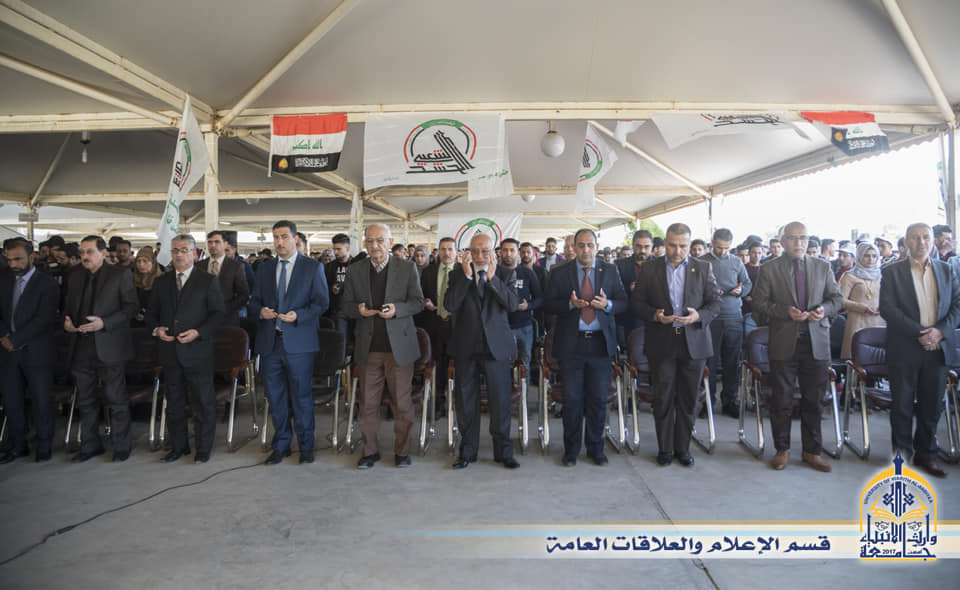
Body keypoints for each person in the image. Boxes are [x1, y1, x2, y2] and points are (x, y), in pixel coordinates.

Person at [751, 221, 844, 472]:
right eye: (792, 238)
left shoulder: (823, 266)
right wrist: (785, 312)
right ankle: (782, 449)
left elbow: (837, 299)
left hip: (817, 341)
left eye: (803, 238)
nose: (798, 242)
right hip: (784, 341)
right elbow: (759, 303)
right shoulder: (770, 268)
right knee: (781, 399)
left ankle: (812, 451)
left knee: (814, 400)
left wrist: (824, 310)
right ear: (782, 242)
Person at [631, 223, 720, 466]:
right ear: (664, 244)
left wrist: (698, 316)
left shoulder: (703, 268)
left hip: (694, 341)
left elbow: (715, 303)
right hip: (662, 340)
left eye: (682, 246)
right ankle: (665, 448)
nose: (677, 251)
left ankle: (683, 448)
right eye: (672, 245)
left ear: (690, 245)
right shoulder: (650, 268)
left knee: (689, 399)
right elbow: (637, 303)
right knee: (663, 397)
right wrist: (654, 315)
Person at [879, 223, 960, 478]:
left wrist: (939, 332)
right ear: (906, 242)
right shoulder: (892, 272)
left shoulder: (946, 270)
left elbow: (957, 305)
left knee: (932, 405)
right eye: (915, 237)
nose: (921, 242)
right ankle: (901, 459)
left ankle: (927, 454)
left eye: (926, 237)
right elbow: (888, 309)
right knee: (902, 405)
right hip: (904, 347)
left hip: (938, 347)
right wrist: (920, 333)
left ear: (932, 240)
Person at [341, 223, 424, 469]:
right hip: (368, 348)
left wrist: (398, 309)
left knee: (402, 403)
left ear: (389, 241)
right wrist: (358, 310)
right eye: (370, 241)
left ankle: (402, 451)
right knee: (367, 404)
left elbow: (418, 302)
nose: (374, 245)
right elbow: (345, 306)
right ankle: (370, 451)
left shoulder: (406, 267)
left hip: (399, 349)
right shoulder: (355, 270)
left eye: (379, 240)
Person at [544, 229, 628, 466]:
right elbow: (548, 305)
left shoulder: (610, 270)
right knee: (572, 400)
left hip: (600, 344)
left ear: (597, 247)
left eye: (590, 245)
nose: (585, 250)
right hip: (572, 344)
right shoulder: (559, 272)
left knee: (598, 399)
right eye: (580, 245)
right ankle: (571, 450)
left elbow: (623, 302)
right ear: (573, 247)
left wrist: (607, 305)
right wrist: (570, 305)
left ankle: (595, 448)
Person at [249, 220, 329, 465]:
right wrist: (260, 311)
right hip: (270, 343)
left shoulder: (312, 267)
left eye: (284, 236)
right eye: (275, 237)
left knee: (301, 397)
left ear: (295, 239)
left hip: (299, 343)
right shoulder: (265, 268)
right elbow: (254, 301)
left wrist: (299, 315)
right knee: (275, 397)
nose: (279, 242)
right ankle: (281, 444)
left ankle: (306, 446)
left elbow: (322, 303)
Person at [145, 235, 225, 463]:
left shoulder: (207, 281)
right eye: (175, 250)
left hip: (197, 352)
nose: (179, 254)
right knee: (174, 403)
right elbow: (150, 314)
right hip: (170, 352)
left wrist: (198, 332)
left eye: (184, 250)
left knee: (202, 403)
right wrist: (157, 330)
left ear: (194, 253)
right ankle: (178, 447)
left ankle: (203, 448)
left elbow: (218, 313)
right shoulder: (162, 282)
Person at [444, 233, 520, 470]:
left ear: (493, 252)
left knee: (500, 402)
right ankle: (467, 451)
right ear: (468, 252)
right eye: (474, 251)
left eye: (484, 251)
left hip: (495, 347)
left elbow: (512, 305)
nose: (479, 256)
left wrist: (493, 279)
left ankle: (504, 452)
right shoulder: (457, 274)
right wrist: (467, 277)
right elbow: (449, 305)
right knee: (466, 401)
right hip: (466, 346)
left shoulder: (505, 274)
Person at [63, 235, 138, 462]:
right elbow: (68, 307)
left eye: (89, 252)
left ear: (103, 253)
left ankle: (122, 446)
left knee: (116, 399)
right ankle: (90, 445)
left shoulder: (119, 274)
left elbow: (131, 308)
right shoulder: (75, 277)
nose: (84, 256)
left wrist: (105, 323)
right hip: (81, 346)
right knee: (85, 400)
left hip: (109, 346)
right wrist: (67, 322)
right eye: (82, 252)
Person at [0, 238, 60, 463]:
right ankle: (17, 445)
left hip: (37, 351)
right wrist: (5, 337)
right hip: (7, 351)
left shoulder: (47, 284)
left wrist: (17, 339)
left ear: (31, 256)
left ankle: (43, 445)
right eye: (9, 260)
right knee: (12, 401)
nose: (13, 264)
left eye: (18, 259)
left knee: (41, 400)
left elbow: (44, 318)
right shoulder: (3, 279)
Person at [699, 228, 752, 417]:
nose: (723, 251)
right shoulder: (702, 262)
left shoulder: (737, 262)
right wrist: (709, 293)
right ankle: (708, 402)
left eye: (726, 248)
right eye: (719, 247)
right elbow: (694, 288)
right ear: (712, 242)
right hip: (711, 318)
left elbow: (747, 284)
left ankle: (730, 400)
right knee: (710, 362)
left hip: (733, 316)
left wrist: (740, 291)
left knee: (732, 361)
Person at [499, 238, 542, 394]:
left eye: (512, 250)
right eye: (505, 250)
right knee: (502, 365)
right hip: (501, 328)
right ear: (500, 252)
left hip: (524, 327)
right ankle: (505, 399)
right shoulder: (495, 273)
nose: (508, 254)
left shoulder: (527, 273)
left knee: (525, 364)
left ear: (517, 253)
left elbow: (540, 298)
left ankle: (523, 399)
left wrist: (528, 306)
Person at [420, 237, 457, 414]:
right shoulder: (428, 271)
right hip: (435, 324)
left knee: (458, 365)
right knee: (437, 364)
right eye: (443, 249)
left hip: (456, 326)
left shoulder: (463, 270)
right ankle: (438, 402)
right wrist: (425, 302)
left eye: (450, 249)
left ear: (456, 252)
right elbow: (420, 295)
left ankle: (456, 402)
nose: (446, 253)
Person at [839, 243, 886, 360]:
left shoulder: (882, 275)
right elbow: (840, 300)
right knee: (857, 358)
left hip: (879, 321)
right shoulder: (849, 276)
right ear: (859, 256)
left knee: (878, 359)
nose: (871, 259)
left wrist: (884, 306)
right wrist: (861, 307)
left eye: (874, 256)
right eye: (866, 255)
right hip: (858, 321)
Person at [197, 230, 249, 323]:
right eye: (210, 242)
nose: (213, 245)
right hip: (202, 319)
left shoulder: (236, 266)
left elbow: (244, 294)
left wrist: (226, 308)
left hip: (227, 318)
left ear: (225, 244)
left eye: (217, 242)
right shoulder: (199, 266)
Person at [615, 229, 654, 348]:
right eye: (639, 246)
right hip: (629, 318)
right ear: (633, 245)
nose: (642, 250)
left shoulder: (661, 264)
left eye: (646, 247)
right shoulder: (620, 265)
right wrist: (629, 289)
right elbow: (614, 291)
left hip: (654, 317)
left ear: (652, 246)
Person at [324, 233, 353, 332]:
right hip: (337, 310)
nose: (335, 252)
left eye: (338, 249)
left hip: (355, 309)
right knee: (341, 338)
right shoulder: (329, 267)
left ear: (347, 248)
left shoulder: (357, 266)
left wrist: (343, 287)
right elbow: (324, 286)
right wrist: (331, 288)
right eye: (334, 249)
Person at [132, 246, 163, 326]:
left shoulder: (163, 280)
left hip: (157, 324)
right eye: (138, 261)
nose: (141, 264)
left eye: (145, 261)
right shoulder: (131, 279)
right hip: (134, 324)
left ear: (153, 262)